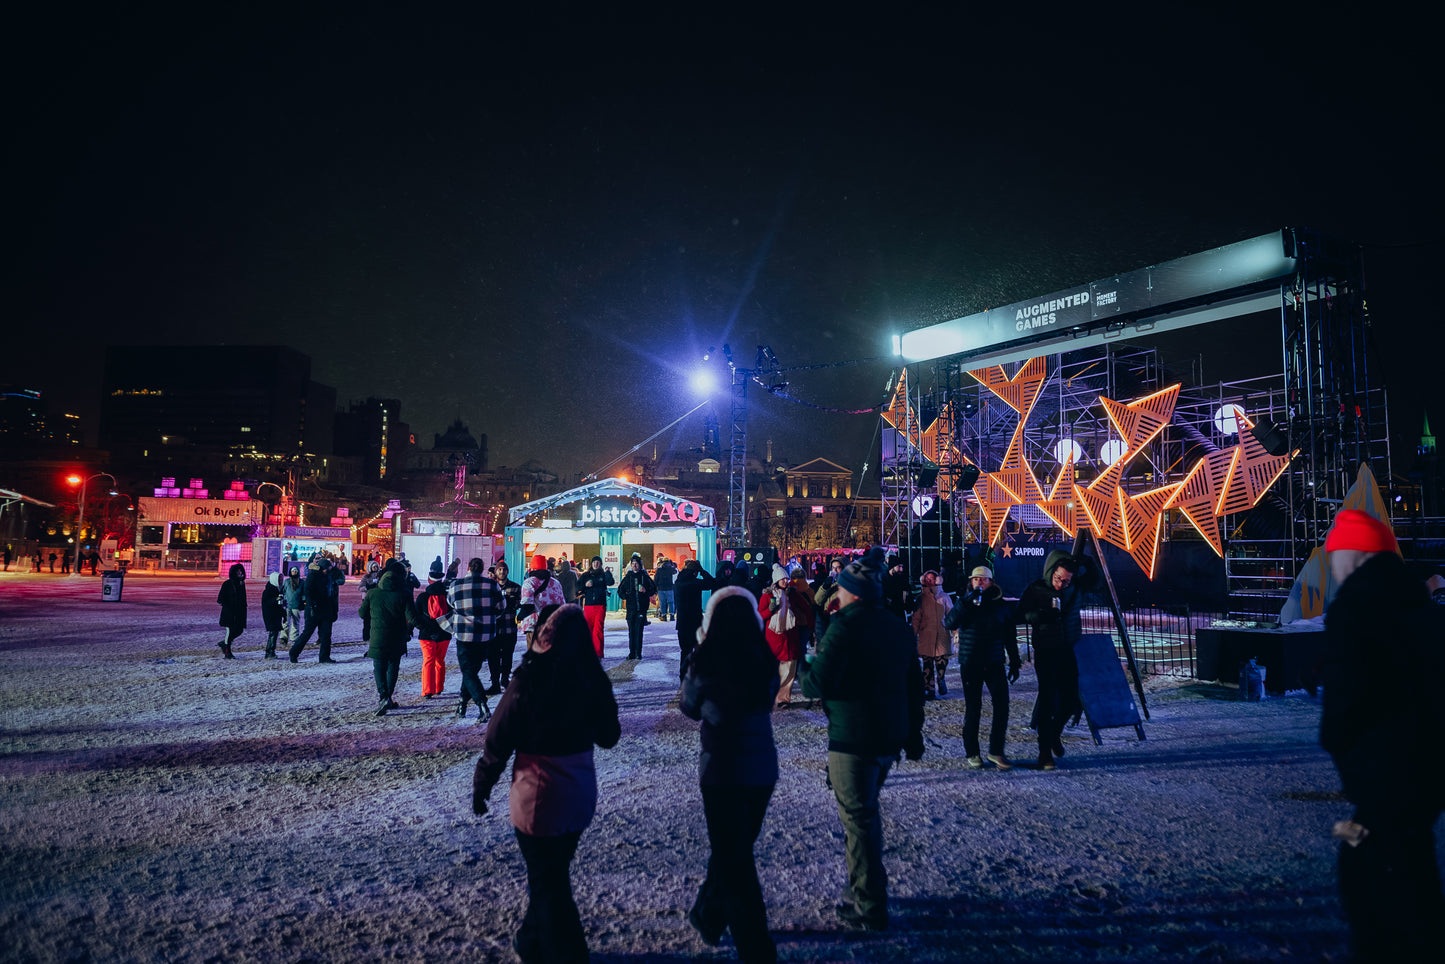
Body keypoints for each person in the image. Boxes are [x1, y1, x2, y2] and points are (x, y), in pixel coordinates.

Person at [1320, 510, 1445, 961]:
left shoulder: (1355, 611)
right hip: (1425, 772)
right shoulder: (1418, 607)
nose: (1332, 565)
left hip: (1381, 773)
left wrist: (1344, 749)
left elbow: (1345, 703)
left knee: (1365, 859)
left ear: (1354, 557)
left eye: (1335, 555)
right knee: (1407, 854)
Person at [472, 605, 621, 964]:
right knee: (551, 874)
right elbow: (609, 736)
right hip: (579, 789)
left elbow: (499, 736)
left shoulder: (530, 676)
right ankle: (531, 940)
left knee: (548, 882)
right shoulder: (592, 677)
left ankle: (565, 954)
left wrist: (483, 782)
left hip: (537, 793)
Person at [799, 547, 925, 932]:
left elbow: (815, 684)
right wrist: (913, 732)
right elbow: (914, 686)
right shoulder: (897, 627)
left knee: (859, 820)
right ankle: (867, 888)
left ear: (851, 592)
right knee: (866, 815)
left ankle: (869, 903)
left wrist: (801, 664)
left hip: (853, 738)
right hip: (889, 737)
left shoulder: (845, 627)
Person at [679, 587, 779, 963]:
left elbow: (689, 706)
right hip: (762, 767)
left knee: (734, 858)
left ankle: (756, 947)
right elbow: (769, 697)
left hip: (721, 768)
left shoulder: (705, 659)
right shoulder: (762, 657)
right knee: (733, 851)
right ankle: (708, 914)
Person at [945, 566, 1022, 769]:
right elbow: (949, 622)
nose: (979, 582)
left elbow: (1010, 636)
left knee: (1002, 707)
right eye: (976, 579)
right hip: (971, 662)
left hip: (994, 661)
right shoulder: (965, 603)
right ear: (971, 582)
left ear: (991, 582)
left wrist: (1014, 661)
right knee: (973, 708)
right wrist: (965, 604)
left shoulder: (1001, 606)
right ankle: (972, 752)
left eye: (983, 579)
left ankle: (996, 751)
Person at [1016, 551, 1082, 770]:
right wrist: (1039, 616)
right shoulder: (1037, 589)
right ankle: (1044, 753)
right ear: (1051, 572)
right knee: (1047, 700)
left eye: (1066, 581)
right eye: (1058, 579)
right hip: (1045, 649)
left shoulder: (1072, 590)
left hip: (1066, 648)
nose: (1061, 584)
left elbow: (1097, 582)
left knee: (1072, 699)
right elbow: (1020, 613)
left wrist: (1088, 564)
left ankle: (1054, 733)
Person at [447, 557, 503, 721]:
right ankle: (462, 704)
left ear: (469, 568)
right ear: (483, 569)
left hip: (464, 633)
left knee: (468, 670)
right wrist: (488, 618)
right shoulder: (493, 585)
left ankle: (482, 704)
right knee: (471, 670)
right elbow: (501, 607)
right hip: (485, 634)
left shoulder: (455, 585)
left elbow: (452, 604)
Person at [362, 561, 417, 716]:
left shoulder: (373, 593)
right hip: (397, 637)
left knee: (379, 667)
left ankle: (383, 697)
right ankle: (388, 698)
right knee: (393, 667)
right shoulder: (404, 593)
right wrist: (428, 626)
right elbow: (412, 617)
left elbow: (361, 613)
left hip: (378, 637)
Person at [760, 565, 806, 706]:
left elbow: (805, 608)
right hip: (774, 636)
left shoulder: (792, 594)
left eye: (787, 578)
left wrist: (807, 625)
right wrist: (770, 610)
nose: (786, 581)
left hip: (790, 635)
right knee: (772, 669)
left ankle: (782, 699)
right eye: (783, 579)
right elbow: (760, 614)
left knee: (789, 668)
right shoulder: (767, 596)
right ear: (776, 581)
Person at [288, 555, 342, 663]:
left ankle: (324, 657)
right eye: (327, 568)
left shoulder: (329, 577)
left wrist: (333, 610)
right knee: (307, 633)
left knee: (326, 634)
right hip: (314, 610)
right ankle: (293, 652)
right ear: (322, 568)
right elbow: (308, 592)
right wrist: (312, 605)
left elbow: (339, 581)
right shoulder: (313, 576)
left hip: (326, 609)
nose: (328, 570)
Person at [911, 569, 953, 700]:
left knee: (942, 663)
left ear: (937, 580)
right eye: (927, 579)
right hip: (926, 636)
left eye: (932, 579)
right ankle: (929, 690)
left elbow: (951, 615)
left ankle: (941, 679)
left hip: (942, 635)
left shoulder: (944, 597)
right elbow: (916, 618)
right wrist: (913, 633)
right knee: (927, 666)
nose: (930, 581)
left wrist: (954, 628)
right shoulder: (920, 599)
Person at [673, 559, 718, 680]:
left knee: (685, 652)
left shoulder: (678, 583)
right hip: (695, 622)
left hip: (682, 624)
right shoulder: (695, 583)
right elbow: (712, 583)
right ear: (695, 572)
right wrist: (702, 571)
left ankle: (683, 677)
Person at [416, 558, 453, 699]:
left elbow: (416, 615)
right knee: (440, 661)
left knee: (428, 661)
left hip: (426, 634)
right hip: (444, 633)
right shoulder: (448, 596)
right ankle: (439, 687)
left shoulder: (422, 597)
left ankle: (427, 690)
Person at [519, 554, 567, 652]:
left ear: (532, 568)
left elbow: (527, 605)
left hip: (534, 625)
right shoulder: (556, 583)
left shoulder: (529, 582)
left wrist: (518, 617)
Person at [489, 560, 523, 694]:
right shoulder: (491, 587)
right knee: (493, 657)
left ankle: (505, 679)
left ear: (507, 572)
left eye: (504, 570)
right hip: (494, 628)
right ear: (496, 572)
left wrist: (510, 604)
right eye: (499, 570)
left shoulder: (515, 587)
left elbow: (520, 603)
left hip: (509, 627)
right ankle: (495, 683)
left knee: (508, 656)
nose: (502, 572)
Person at [617, 553, 656, 660]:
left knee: (639, 631)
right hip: (631, 609)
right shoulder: (628, 577)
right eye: (633, 564)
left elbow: (653, 589)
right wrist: (627, 596)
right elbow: (620, 591)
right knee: (631, 632)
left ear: (640, 565)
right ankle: (631, 653)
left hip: (641, 609)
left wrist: (645, 591)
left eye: (636, 564)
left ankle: (638, 653)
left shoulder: (645, 576)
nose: (634, 566)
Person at [215, 563, 247, 658]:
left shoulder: (242, 584)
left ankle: (224, 643)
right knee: (229, 631)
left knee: (239, 630)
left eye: (241, 571)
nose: (240, 573)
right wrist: (228, 605)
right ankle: (227, 651)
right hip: (229, 612)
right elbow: (220, 599)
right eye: (238, 571)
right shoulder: (227, 583)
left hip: (239, 612)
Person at [280, 565, 306, 652]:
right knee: (285, 622)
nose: (294, 572)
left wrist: (303, 602)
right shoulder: (287, 581)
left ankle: (294, 638)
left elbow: (304, 593)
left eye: (296, 571)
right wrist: (282, 600)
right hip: (287, 605)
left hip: (296, 605)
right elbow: (283, 591)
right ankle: (284, 638)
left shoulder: (302, 582)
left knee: (296, 623)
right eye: (293, 571)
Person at [260, 571, 285, 660]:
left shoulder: (280, 589)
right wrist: (275, 599)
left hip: (276, 615)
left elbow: (280, 604)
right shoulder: (268, 591)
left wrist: (283, 614)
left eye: (281, 579)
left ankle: (271, 651)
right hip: (270, 615)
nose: (281, 580)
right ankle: (269, 651)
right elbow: (266, 603)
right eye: (279, 579)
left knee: (274, 633)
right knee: (273, 633)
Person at [654, 556, 678, 621]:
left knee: (662, 602)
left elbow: (656, 579)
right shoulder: (671, 568)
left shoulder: (659, 569)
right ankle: (672, 615)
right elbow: (675, 573)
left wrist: (655, 588)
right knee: (671, 602)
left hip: (661, 588)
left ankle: (664, 616)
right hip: (670, 588)